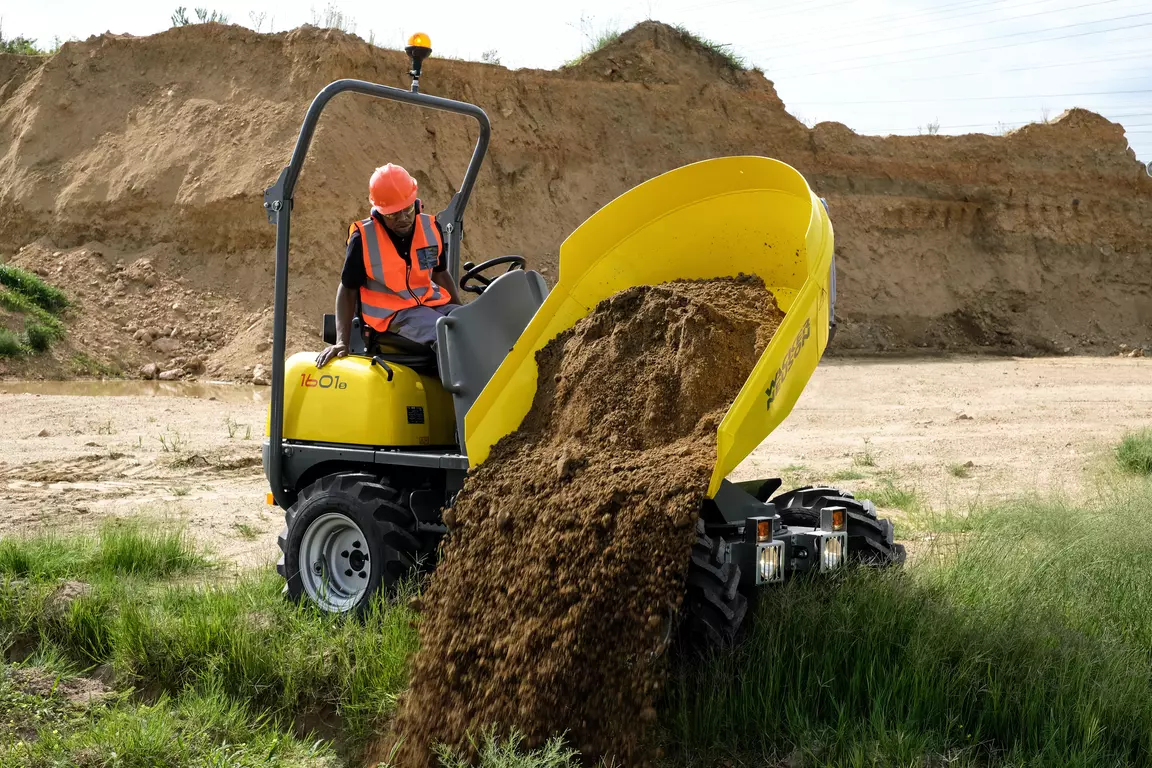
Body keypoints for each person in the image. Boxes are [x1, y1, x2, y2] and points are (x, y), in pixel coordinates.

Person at [316, 164, 461, 368]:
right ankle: (468, 397)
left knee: (473, 322)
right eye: (393, 214)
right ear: (379, 212)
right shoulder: (363, 239)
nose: (403, 219)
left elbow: (440, 273)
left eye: (408, 210)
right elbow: (347, 289)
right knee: (448, 334)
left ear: (416, 203)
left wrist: (460, 310)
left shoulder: (430, 228)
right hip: (392, 315)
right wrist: (342, 342)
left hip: (430, 304)